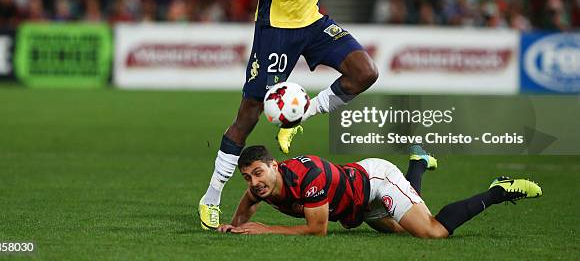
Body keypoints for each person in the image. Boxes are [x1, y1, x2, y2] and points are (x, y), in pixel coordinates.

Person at [198, 0, 452, 230]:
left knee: (365, 72)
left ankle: (299, 117)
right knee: (249, 114)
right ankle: (211, 198)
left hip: (313, 22)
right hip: (275, 29)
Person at [216, 145, 542, 236]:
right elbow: (248, 205)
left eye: (258, 173)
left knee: (432, 231)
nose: (254, 182)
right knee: (404, 229)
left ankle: (497, 191)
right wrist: (235, 224)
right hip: (357, 208)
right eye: (247, 177)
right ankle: (418, 162)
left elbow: (317, 230)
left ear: (275, 166)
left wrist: (263, 230)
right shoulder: (262, 187)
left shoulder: (308, 176)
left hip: (375, 181)